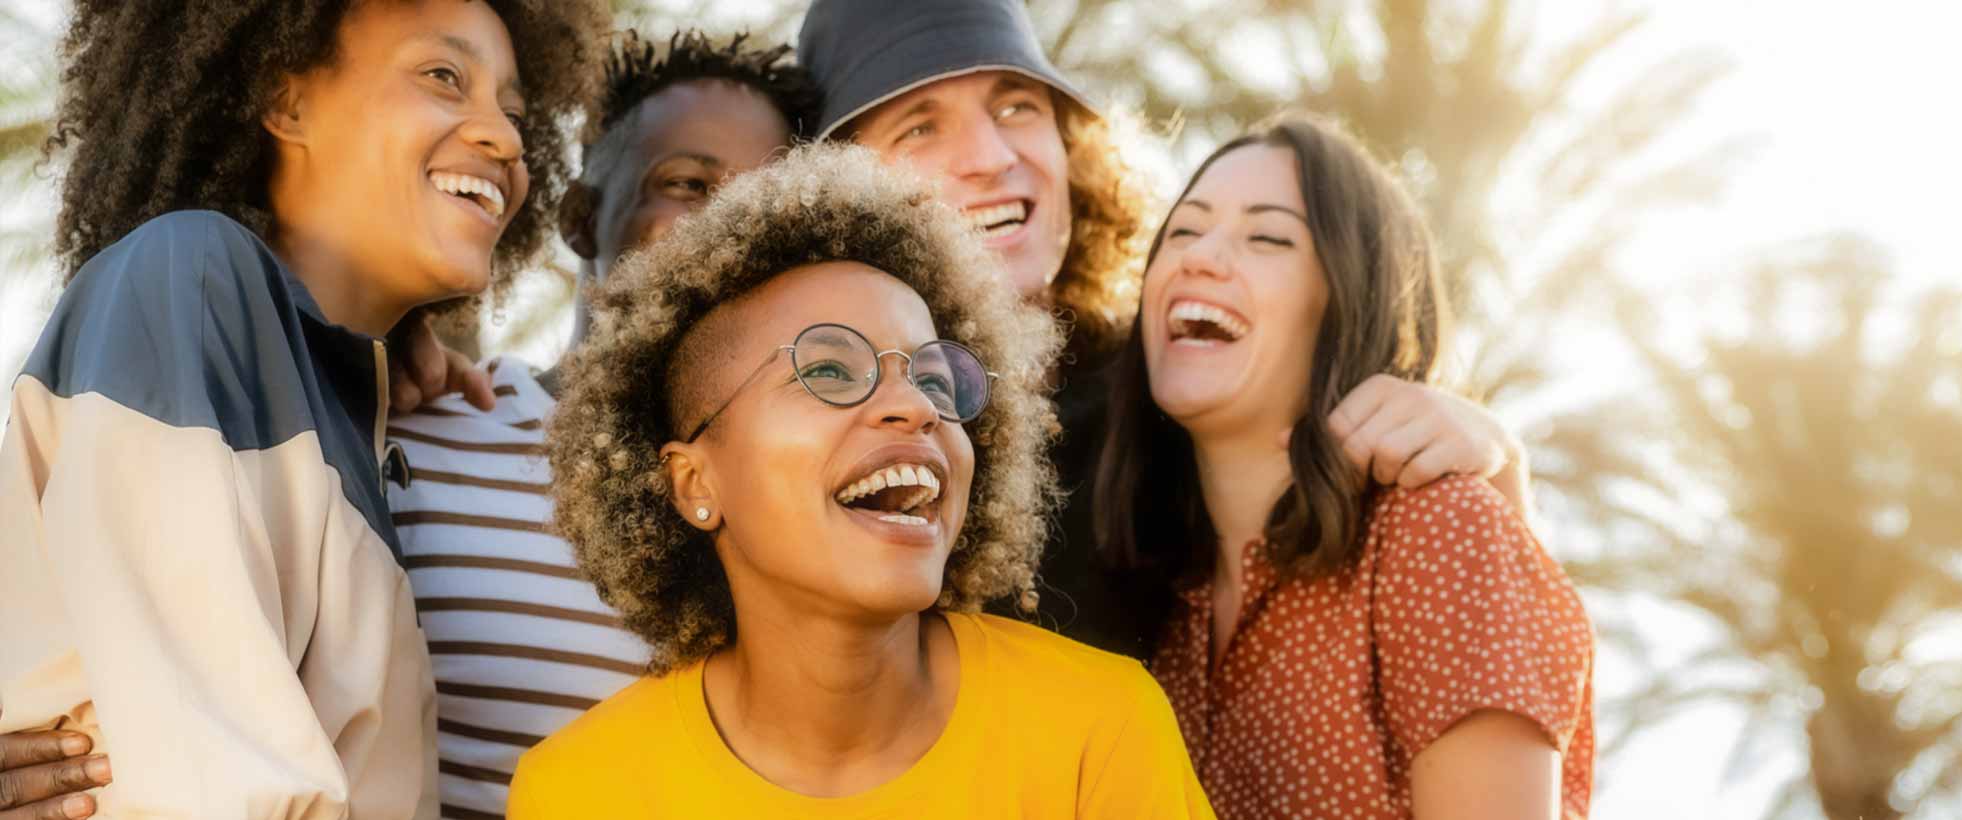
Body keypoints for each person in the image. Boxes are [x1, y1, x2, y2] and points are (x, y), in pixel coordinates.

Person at [0, 0, 604, 817]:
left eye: (516, 111)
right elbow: (215, 788)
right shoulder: (191, 280)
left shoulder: (345, 408)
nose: (504, 138)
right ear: (286, 101)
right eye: (443, 77)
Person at [797, 0, 1536, 657]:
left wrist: (1497, 474)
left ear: (1070, 147)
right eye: (919, 126)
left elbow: (1434, 614)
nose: (992, 157)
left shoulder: (1177, 385)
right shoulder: (805, 431)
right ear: (838, 193)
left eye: (1018, 106)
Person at [507, 143, 1212, 818]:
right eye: (828, 371)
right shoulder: (580, 793)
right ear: (694, 482)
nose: (914, 406)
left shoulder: (1100, 729)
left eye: (935, 377)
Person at [1095, 115, 1596, 819]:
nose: (1199, 257)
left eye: (1267, 237)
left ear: (1348, 301)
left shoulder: (1436, 530)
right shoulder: (1159, 605)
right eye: (1182, 231)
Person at [385, 29, 816, 817]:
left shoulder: (807, 512)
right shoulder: (418, 431)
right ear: (582, 216)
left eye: (766, 207)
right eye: (687, 184)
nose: (730, 230)